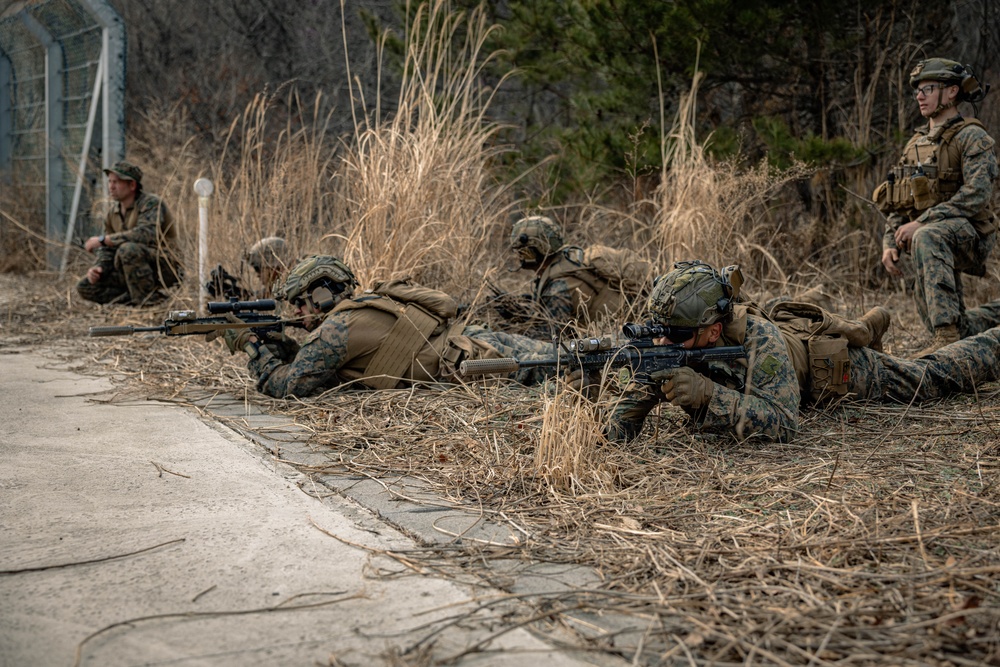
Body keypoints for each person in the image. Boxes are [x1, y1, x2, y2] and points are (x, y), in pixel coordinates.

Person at [606, 260, 1000, 444]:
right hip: (786, 348)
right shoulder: (668, 344)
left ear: (713, 330)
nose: (663, 343)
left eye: (675, 335)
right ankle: (867, 324)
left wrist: (710, 394)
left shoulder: (758, 339)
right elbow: (618, 431)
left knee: (929, 379)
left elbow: (784, 422)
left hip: (828, 368)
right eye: (658, 332)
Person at [221, 255, 558, 398]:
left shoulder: (336, 329)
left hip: (474, 364)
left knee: (568, 369)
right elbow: (314, 366)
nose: (296, 311)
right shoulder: (362, 305)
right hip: (474, 343)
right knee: (565, 357)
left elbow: (287, 387)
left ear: (321, 296)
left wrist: (251, 345)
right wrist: (279, 344)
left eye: (300, 302)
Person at [873, 58, 997, 357]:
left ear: (952, 91)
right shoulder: (916, 143)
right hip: (931, 236)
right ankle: (963, 328)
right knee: (962, 329)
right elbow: (899, 201)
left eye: (927, 89)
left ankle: (945, 336)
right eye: (917, 90)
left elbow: (977, 195)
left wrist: (922, 222)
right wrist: (889, 242)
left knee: (926, 236)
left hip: (972, 235)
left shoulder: (973, 137)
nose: (919, 96)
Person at [495, 215, 652, 337]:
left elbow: (550, 339)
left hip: (620, 335)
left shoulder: (558, 289)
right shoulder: (568, 258)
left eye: (521, 252)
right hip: (629, 322)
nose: (519, 256)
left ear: (531, 252)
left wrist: (514, 325)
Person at [77, 161, 182, 306]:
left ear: (132, 185)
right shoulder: (112, 213)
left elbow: (146, 234)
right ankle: (142, 299)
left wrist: (103, 239)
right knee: (85, 286)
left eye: (116, 182)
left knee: (128, 249)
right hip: (130, 267)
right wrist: (99, 267)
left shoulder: (151, 203)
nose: (111, 187)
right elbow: (108, 250)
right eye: (110, 182)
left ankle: (147, 303)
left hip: (165, 267)